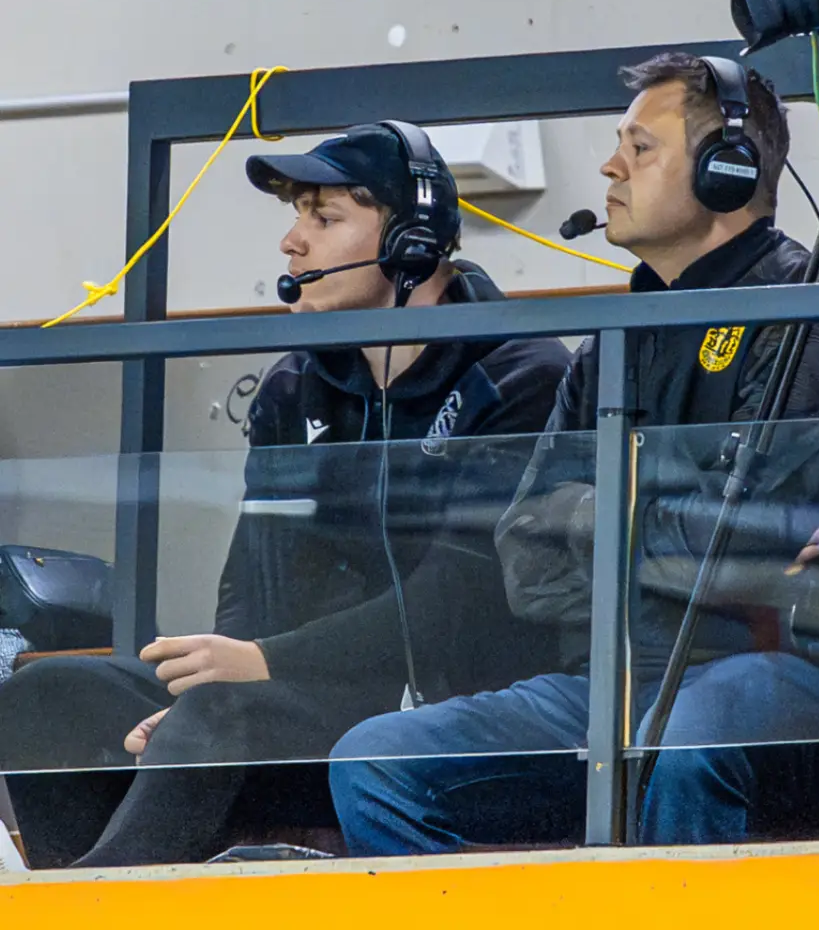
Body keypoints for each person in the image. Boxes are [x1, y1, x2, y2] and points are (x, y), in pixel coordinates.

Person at [327, 54, 819, 854]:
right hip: (618, 679)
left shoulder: (808, 315)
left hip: (814, 679)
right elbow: (523, 565)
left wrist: (596, 519)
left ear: (727, 171)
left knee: (682, 732)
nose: (610, 166)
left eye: (640, 148)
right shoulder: (608, 347)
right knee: (376, 759)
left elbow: (737, 542)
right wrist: (659, 529)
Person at [0, 122, 570, 868]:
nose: (291, 244)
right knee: (50, 696)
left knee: (219, 708)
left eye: (324, 218)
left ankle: (87, 911)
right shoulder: (294, 383)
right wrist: (213, 680)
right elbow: (253, 577)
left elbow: (461, 600)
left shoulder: (522, 372)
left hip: (456, 708)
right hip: (299, 695)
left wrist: (259, 664)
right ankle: (93, 896)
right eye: (296, 217)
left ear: (411, 246)